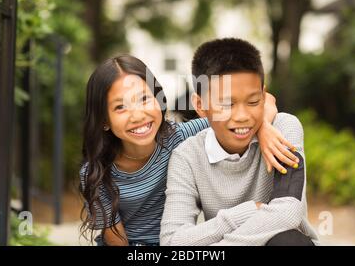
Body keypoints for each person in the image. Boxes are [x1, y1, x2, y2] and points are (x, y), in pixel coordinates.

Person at [79, 54, 300, 246]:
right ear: (104, 121)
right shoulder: (96, 172)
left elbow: (261, 101)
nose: (137, 115)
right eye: (120, 107)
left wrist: (264, 128)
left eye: (144, 99)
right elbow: (117, 240)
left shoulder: (180, 136)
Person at [160, 38, 319, 246]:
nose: (243, 116)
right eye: (227, 104)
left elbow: (288, 211)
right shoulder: (187, 156)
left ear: (264, 95)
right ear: (200, 105)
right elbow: (173, 241)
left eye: (253, 102)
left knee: (287, 240)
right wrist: (248, 211)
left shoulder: (284, 129)